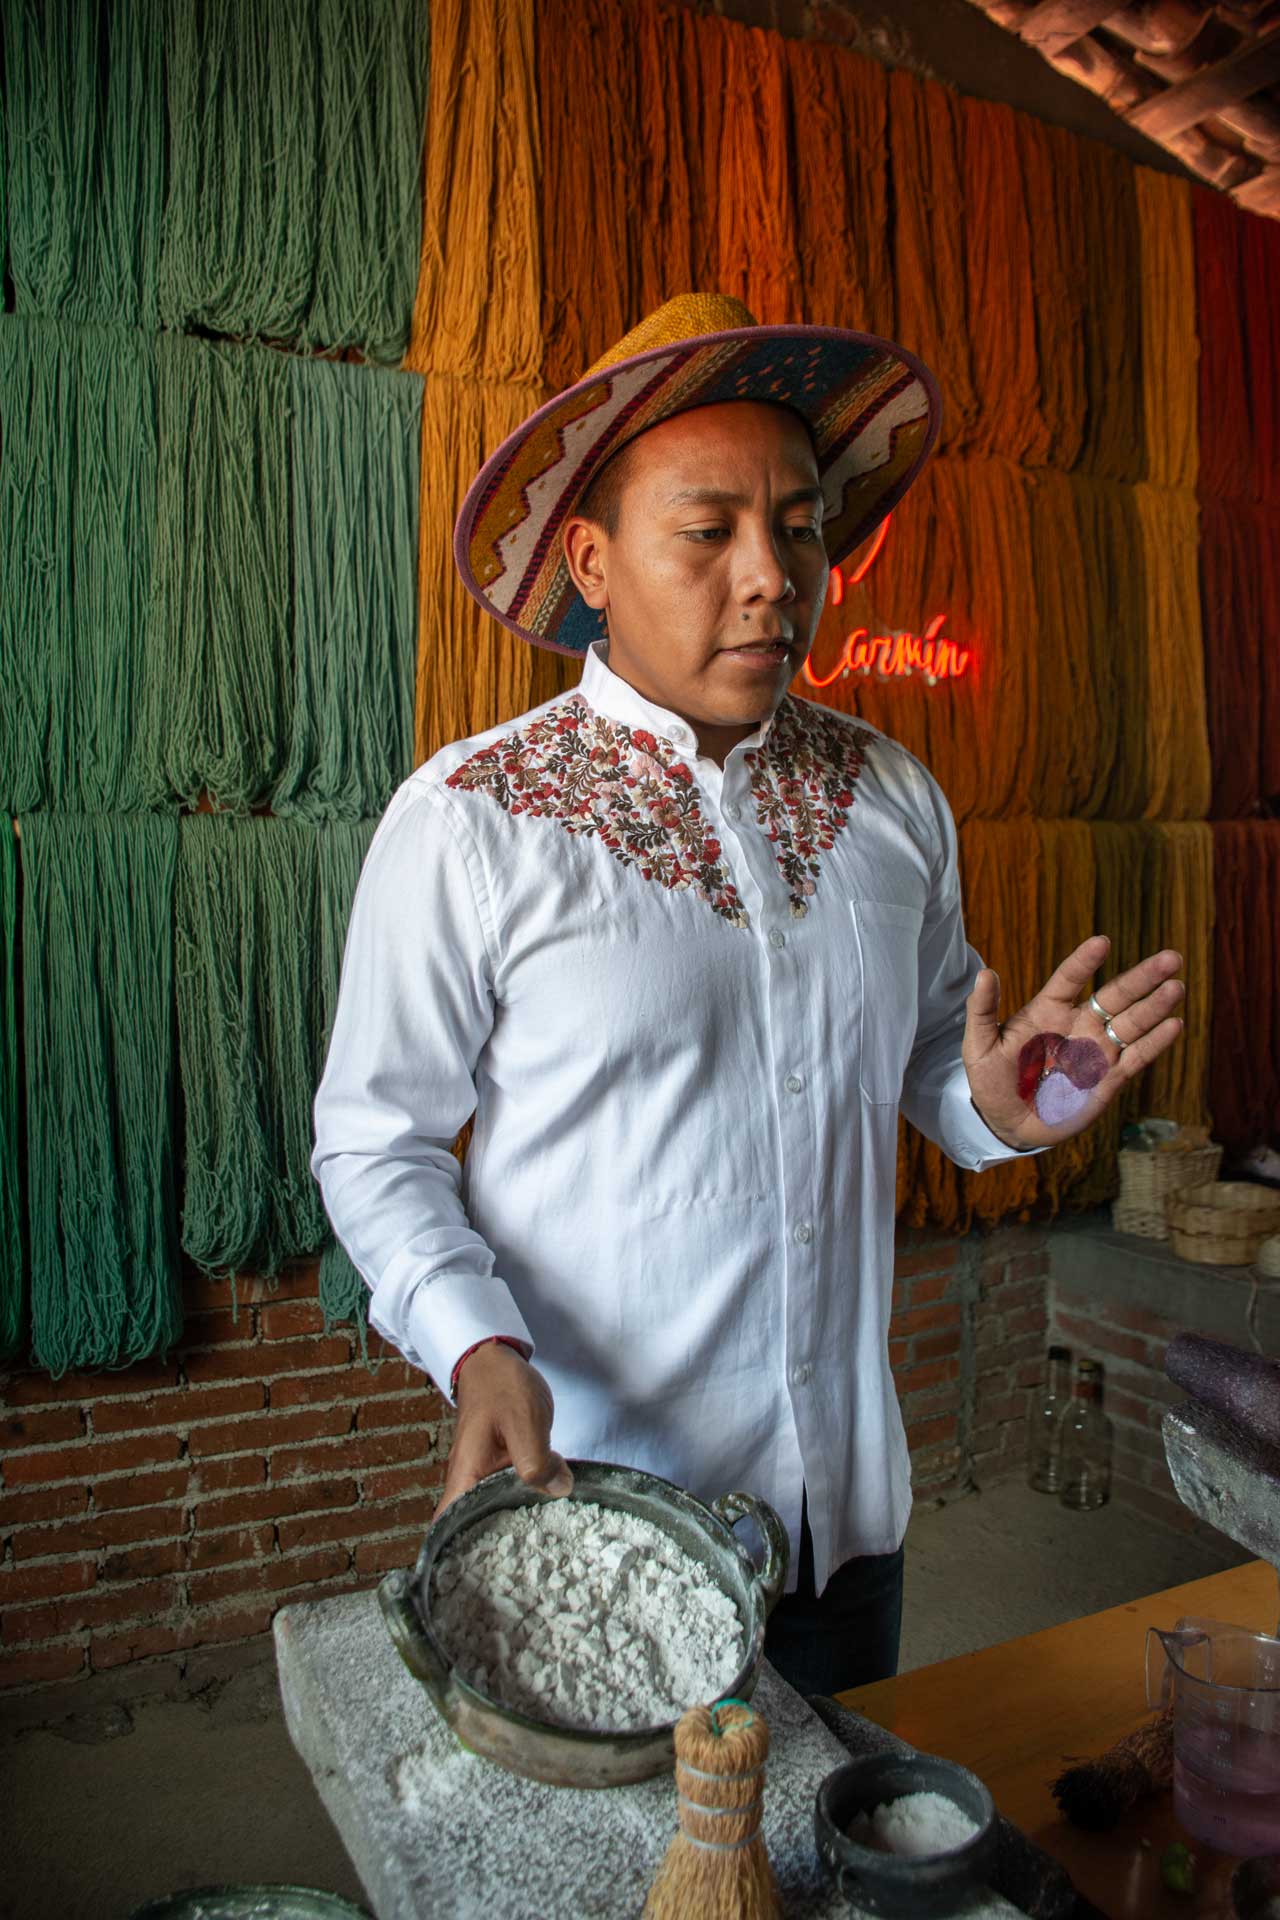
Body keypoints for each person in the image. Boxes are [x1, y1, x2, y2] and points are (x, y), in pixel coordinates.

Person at [311, 293, 1185, 1697]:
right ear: (592, 560)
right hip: (596, 1525)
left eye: (800, 526)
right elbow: (375, 1140)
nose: (773, 575)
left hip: (842, 1532)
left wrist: (1023, 1101)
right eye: (709, 531)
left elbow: (944, 1083)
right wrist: (475, 1343)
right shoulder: (475, 820)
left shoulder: (891, 800)